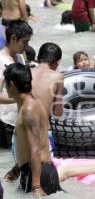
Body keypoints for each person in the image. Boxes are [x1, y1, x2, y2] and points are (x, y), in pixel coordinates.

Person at [4, 42, 64, 182]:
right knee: (43, 179)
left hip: (19, 131)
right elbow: (57, 113)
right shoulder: (57, 76)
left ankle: (17, 169)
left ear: (38, 57)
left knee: (25, 177)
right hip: (41, 133)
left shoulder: (25, 72)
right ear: (57, 62)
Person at [0, 20, 32, 153]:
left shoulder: (19, 57)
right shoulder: (1, 61)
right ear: (13, 38)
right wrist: (19, 99)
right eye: (24, 42)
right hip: (5, 123)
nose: (27, 46)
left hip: (19, 120)